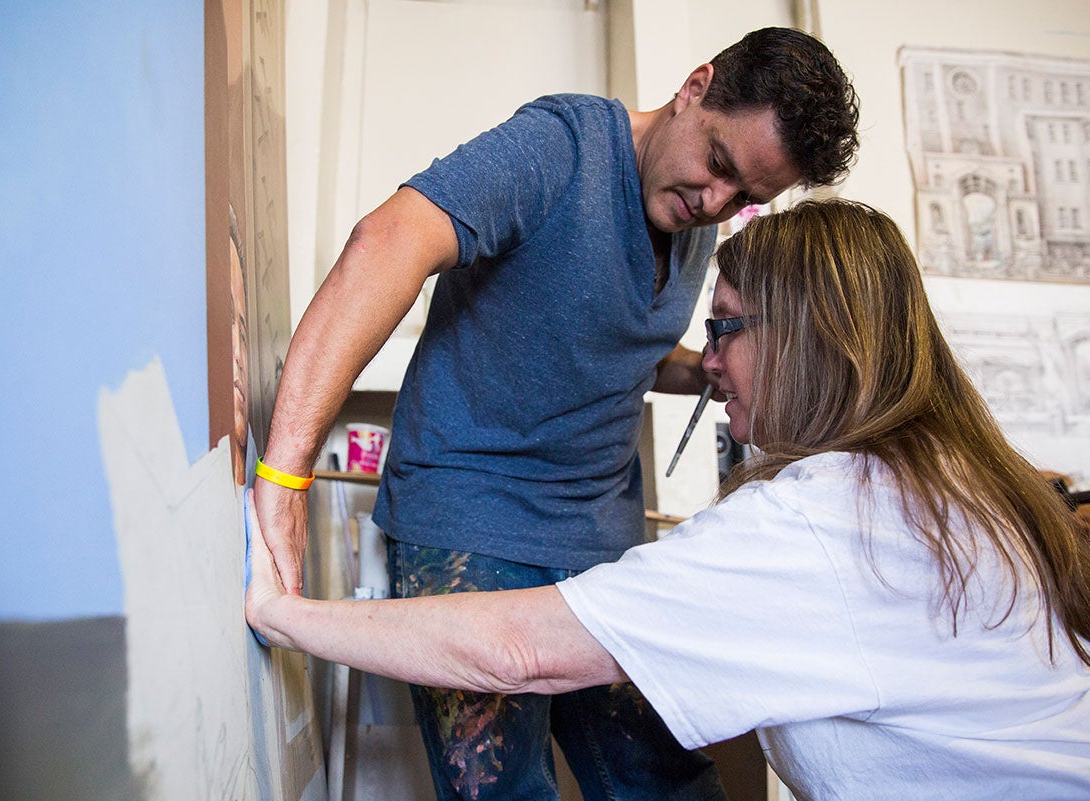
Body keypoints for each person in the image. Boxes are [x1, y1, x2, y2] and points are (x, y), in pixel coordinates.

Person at [246, 199, 1090, 801]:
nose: (707, 363)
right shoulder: (960, 478)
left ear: (806, 337)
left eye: (722, 329)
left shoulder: (826, 517)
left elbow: (513, 648)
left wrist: (286, 613)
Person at [254, 26, 859, 801]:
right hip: (472, 523)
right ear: (695, 87)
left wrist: (707, 367)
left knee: (669, 783)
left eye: (746, 197)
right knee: (504, 787)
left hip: (601, 543)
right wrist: (285, 471)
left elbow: (610, 344)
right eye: (719, 165)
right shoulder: (560, 148)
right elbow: (387, 241)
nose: (716, 202)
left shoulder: (699, 220)